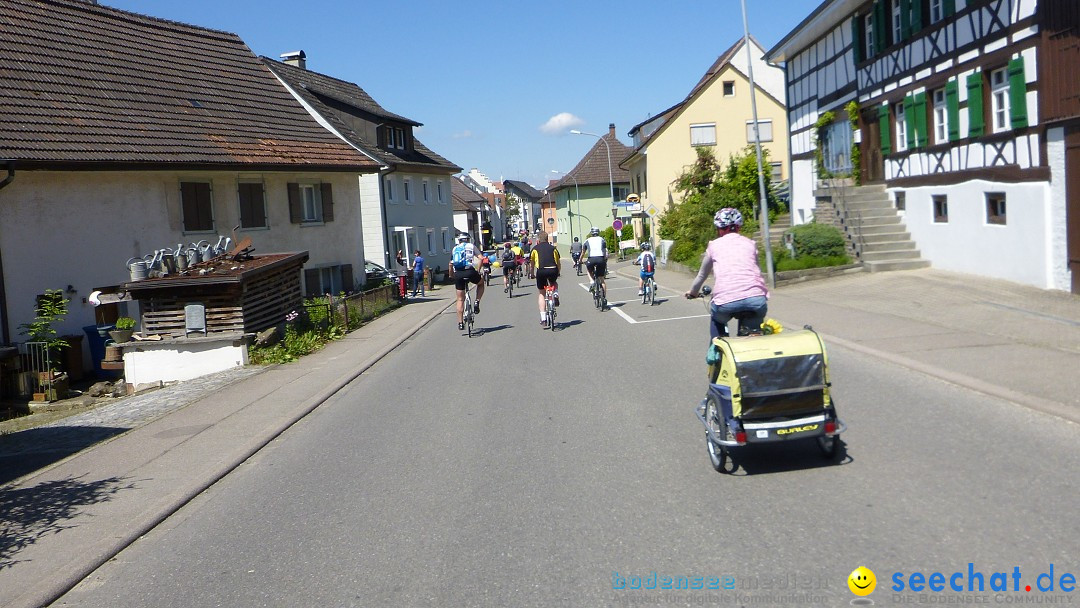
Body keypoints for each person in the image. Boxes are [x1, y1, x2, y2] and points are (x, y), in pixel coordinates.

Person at [684, 208, 769, 340]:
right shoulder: (750, 244)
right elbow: (757, 271)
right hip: (756, 299)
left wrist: (693, 292)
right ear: (738, 227)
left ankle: (716, 351)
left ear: (719, 228)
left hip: (725, 301)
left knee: (717, 319)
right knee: (754, 334)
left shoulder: (714, 245)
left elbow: (702, 275)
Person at [449, 233, 485, 330]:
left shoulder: (455, 249)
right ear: (468, 239)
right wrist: (478, 270)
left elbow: (451, 264)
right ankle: (477, 301)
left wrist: (451, 275)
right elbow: (481, 258)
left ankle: (460, 323)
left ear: (459, 240)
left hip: (458, 274)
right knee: (481, 283)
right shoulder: (471, 246)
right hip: (470, 271)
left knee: (460, 299)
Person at [530, 231, 561, 327]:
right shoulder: (553, 249)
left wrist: (531, 274)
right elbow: (558, 262)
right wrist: (558, 272)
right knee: (554, 283)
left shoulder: (535, 249)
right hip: (553, 270)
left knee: (542, 293)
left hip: (541, 271)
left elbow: (532, 264)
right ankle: (555, 293)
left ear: (538, 240)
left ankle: (543, 318)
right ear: (548, 239)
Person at [581, 226, 608, 294]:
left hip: (591, 259)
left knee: (588, 271)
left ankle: (592, 281)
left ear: (591, 233)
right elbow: (604, 251)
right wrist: (604, 259)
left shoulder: (587, 240)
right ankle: (604, 297)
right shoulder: (602, 239)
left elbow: (583, 252)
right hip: (601, 258)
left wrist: (580, 260)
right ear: (598, 232)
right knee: (602, 280)